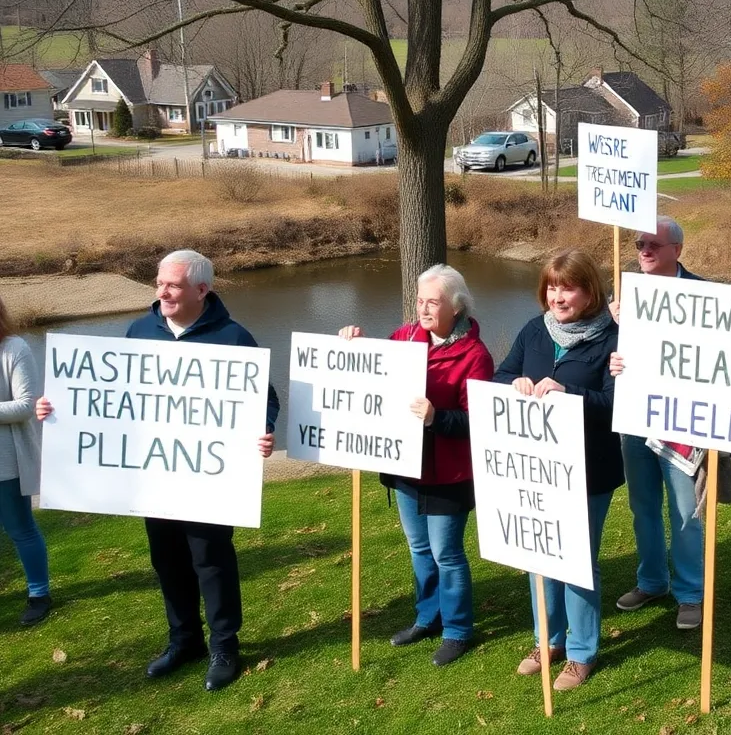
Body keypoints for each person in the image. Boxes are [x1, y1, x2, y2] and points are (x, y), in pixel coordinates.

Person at [37, 250, 279, 692]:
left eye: (172, 285)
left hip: (208, 477)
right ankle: (184, 640)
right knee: (167, 559)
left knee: (211, 561)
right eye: (159, 283)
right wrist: (60, 408)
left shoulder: (233, 337)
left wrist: (263, 429)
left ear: (202, 290)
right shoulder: (139, 331)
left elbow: (266, 398)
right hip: (155, 475)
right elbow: (111, 396)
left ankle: (224, 646)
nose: (161, 292)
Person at [338, 264, 493, 666]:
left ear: (456, 307)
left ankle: (458, 630)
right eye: (420, 301)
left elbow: (479, 421)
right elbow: (376, 372)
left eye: (433, 302)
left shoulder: (475, 356)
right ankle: (428, 616)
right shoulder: (404, 338)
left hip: (449, 472)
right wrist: (355, 345)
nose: (423, 309)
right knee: (419, 547)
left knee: (446, 553)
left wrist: (435, 417)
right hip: (406, 464)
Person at [494, 249, 622, 691]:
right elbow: (500, 375)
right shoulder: (534, 330)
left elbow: (617, 404)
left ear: (590, 292)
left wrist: (568, 393)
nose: (557, 297)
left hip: (589, 469)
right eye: (551, 287)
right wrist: (513, 383)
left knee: (577, 561)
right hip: (537, 468)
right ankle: (548, 640)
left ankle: (581, 652)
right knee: (540, 554)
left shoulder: (612, 340)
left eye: (568, 288)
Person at [609, 216, 706, 630]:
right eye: (639, 244)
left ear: (677, 250)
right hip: (635, 416)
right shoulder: (623, 296)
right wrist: (613, 336)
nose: (645, 251)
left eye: (654, 244)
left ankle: (691, 593)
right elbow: (604, 356)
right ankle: (652, 581)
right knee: (643, 505)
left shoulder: (703, 295)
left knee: (685, 511)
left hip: (680, 421)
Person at [0, 295, 51, 626]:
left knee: (20, 528)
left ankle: (39, 594)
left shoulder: (14, 348)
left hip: (7, 462)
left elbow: (26, 405)